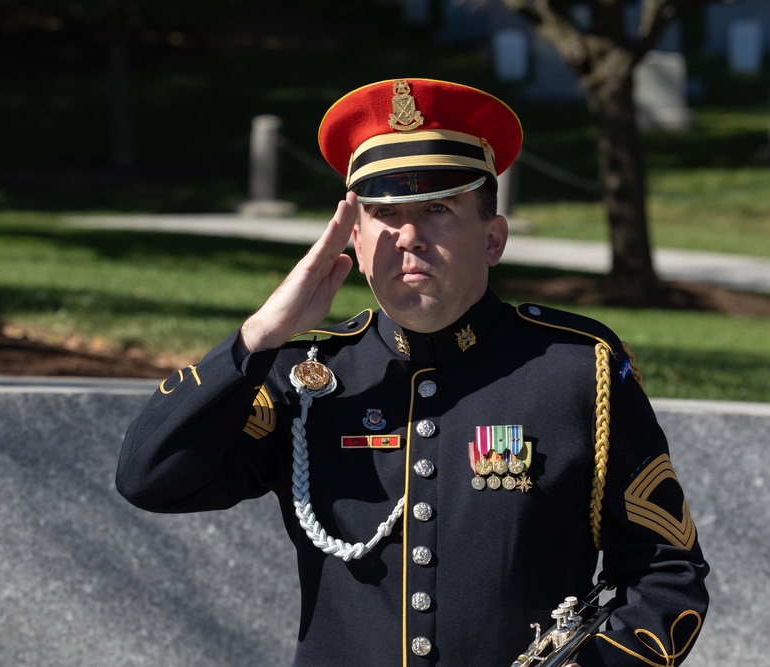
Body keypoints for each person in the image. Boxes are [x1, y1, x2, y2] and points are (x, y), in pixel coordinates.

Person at [115, 78, 709, 666]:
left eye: (438, 210)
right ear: (354, 238)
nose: (408, 237)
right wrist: (260, 335)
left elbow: (666, 571)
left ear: (494, 238)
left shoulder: (577, 369)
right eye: (382, 213)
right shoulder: (308, 375)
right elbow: (150, 477)